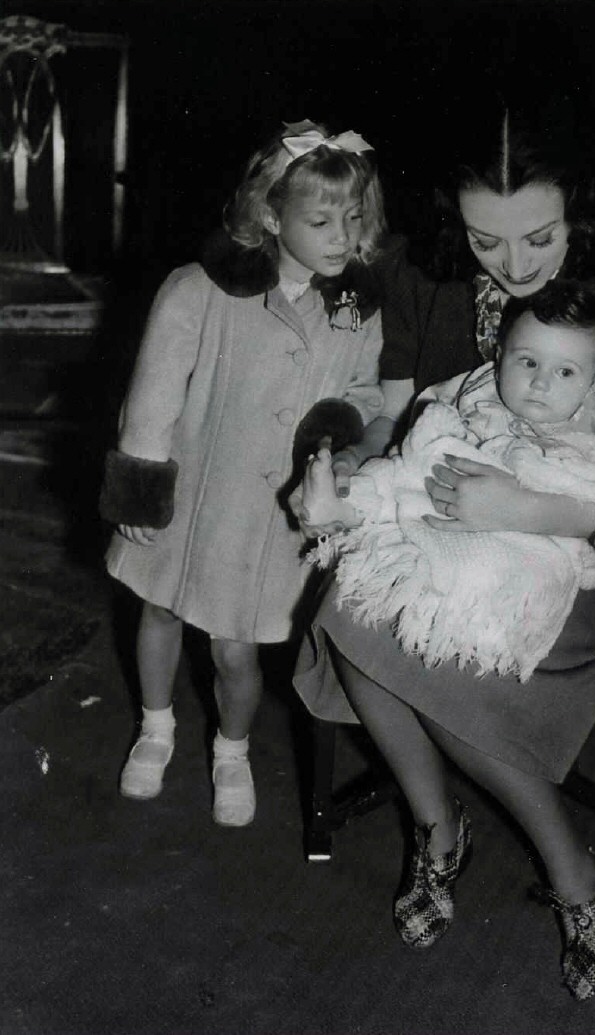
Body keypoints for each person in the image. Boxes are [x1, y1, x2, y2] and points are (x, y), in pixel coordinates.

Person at [292, 109, 595, 1001]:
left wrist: (520, 507)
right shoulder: (424, 277)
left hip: (577, 537)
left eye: (539, 237)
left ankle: (576, 876)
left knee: (437, 668)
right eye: (484, 239)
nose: (512, 265)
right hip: (440, 517)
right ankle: (439, 831)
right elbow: (395, 416)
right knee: (351, 614)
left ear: (577, 213)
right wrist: (347, 466)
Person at [99, 118, 390, 827]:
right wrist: (141, 483)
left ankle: (232, 748)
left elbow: (362, 393)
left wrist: (336, 439)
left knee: (236, 650)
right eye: (319, 219)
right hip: (191, 493)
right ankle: (157, 725)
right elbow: (153, 394)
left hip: (266, 517)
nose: (339, 236)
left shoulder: (354, 309)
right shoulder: (199, 290)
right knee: (160, 610)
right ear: (269, 214)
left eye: (351, 219)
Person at [299, 281, 595, 684]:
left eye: (566, 372)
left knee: (491, 567)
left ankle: (464, 611)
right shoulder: (481, 386)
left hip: (546, 529)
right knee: (415, 455)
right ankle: (346, 504)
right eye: (528, 362)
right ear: (500, 357)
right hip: (455, 494)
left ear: (593, 379)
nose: (541, 383)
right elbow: (429, 414)